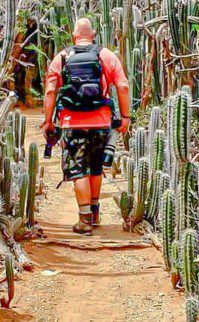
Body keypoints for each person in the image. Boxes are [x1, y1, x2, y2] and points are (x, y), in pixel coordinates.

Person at [40, 18, 131, 235]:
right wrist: (125, 117)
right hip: (101, 123)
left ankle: (85, 220)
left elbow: (51, 91)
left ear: (74, 35)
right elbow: (123, 86)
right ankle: (96, 212)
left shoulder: (61, 57)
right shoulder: (106, 55)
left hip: (72, 123)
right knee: (96, 168)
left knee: (78, 170)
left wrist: (48, 121)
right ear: (93, 34)